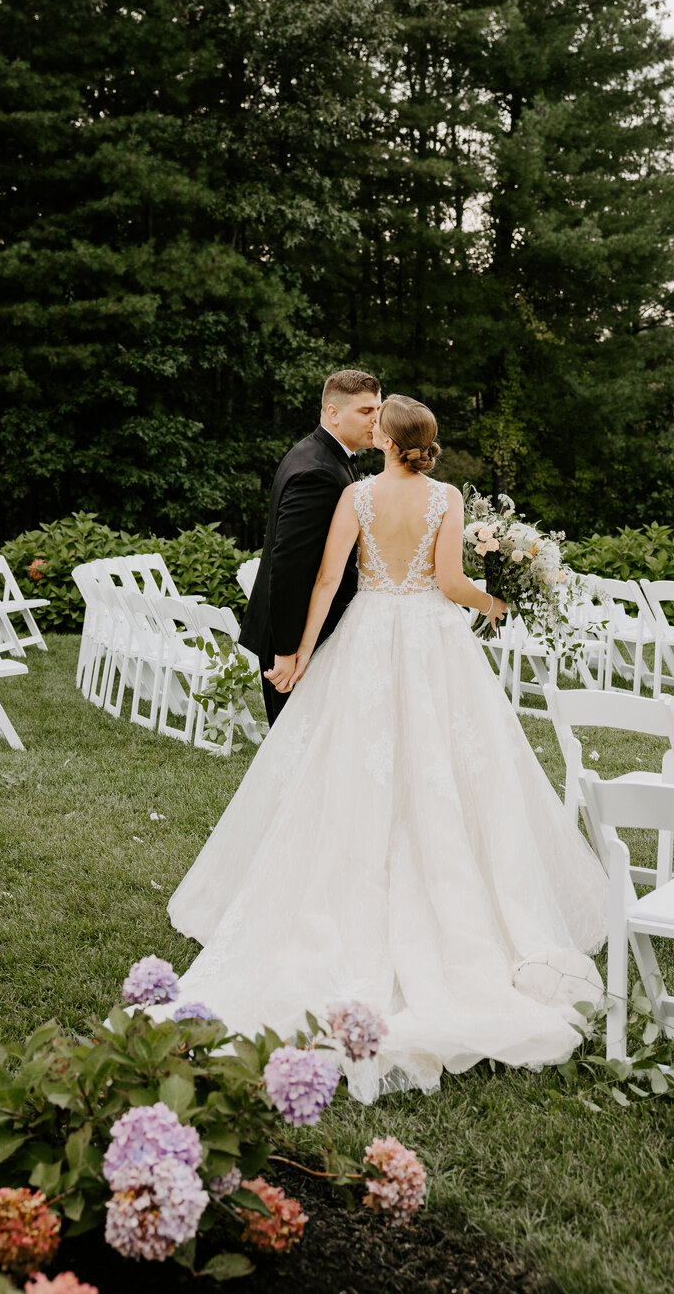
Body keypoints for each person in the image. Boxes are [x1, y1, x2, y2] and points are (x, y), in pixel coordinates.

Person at [166, 394, 608, 1099]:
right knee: (453, 772)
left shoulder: (358, 496)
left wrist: (303, 652)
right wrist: (498, 606)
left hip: (367, 638)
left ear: (387, 441)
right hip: (434, 642)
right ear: (426, 444)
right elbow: (452, 582)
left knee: (346, 770)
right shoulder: (446, 496)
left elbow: (324, 579)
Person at [239, 368, 382, 725]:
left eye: (378, 410)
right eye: (365, 411)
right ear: (333, 413)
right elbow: (288, 567)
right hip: (294, 639)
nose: (376, 420)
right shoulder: (317, 473)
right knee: (296, 751)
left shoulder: (321, 455)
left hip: (304, 634)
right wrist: (287, 652)